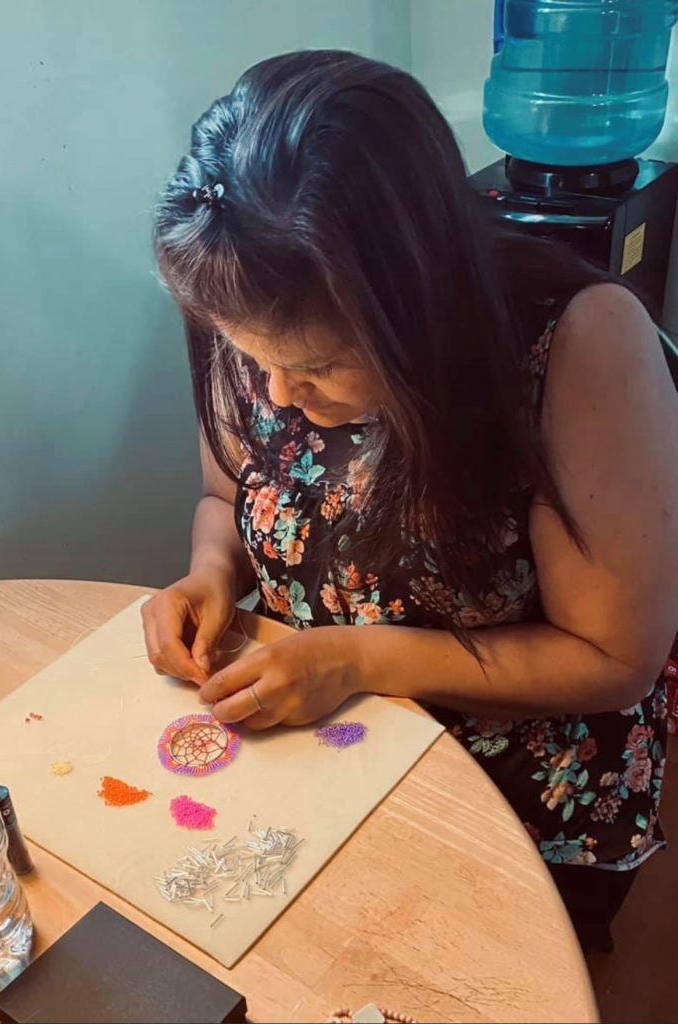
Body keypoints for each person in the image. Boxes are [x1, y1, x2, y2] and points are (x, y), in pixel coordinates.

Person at [145, 50, 678, 952]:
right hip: (318, 734)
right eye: (250, 356)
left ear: (416, 301)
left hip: (528, 784)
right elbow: (223, 494)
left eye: (314, 367)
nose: (274, 394)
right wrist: (208, 573)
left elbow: (613, 658)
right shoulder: (247, 293)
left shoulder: (576, 343)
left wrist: (359, 661)